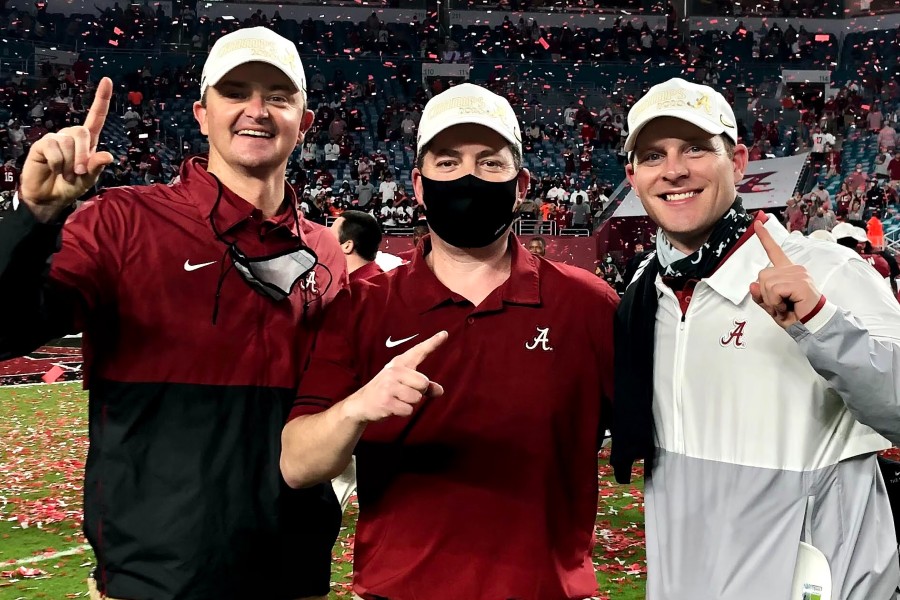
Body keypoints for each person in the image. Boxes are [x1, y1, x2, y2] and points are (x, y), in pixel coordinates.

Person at [0, 27, 348, 600]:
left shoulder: (326, 251)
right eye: (235, 92)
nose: (256, 110)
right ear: (202, 114)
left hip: (293, 577)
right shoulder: (120, 223)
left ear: (304, 120)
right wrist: (34, 218)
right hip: (154, 580)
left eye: (278, 96)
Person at [280, 83, 619, 600]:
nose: (467, 177)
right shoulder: (361, 305)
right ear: (417, 184)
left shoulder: (589, 306)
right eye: (447, 163)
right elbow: (299, 464)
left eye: (489, 163)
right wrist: (356, 408)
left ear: (521, 182)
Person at [614, 77, 900, 600]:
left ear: (740, 162)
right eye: (654, 155)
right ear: (633, 177)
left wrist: (820, 323)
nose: (674, 169)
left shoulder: (827, 270)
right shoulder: (643, 289)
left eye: (696, 148)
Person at [330, 209, 384, 283]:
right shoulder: (377, 280)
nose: (325, 242)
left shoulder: (364, 289)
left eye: (330, 237)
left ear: (347, 246)